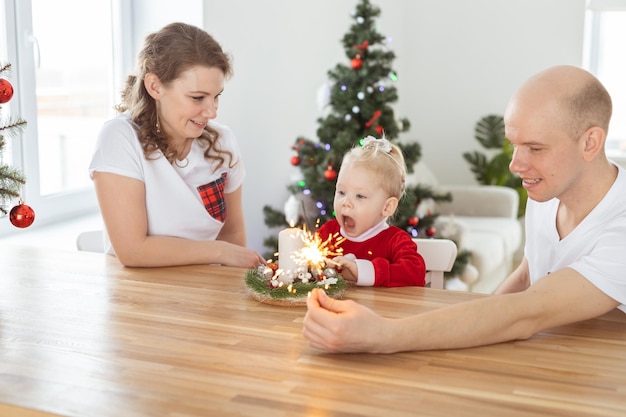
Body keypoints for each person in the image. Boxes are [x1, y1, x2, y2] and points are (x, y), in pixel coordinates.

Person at [303, 65, 626, 353]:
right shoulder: (552, 190)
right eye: (515, 144)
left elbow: (529, 311)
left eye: (535, 148)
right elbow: (529, 272)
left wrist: (382, 335)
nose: (515, 164)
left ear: (590, 143)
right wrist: (478, 326)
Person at [89, 22, 265, 268]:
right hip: (140, 295)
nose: (212, 112)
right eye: (198, 98)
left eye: (217, 97)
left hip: (206, 293)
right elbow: (132, 250)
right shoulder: (119, 138)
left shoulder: (222, 142)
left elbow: (232, 235)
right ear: (155, 86)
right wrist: (218, 252)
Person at [315, 136, 426, 287]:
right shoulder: (327, 234)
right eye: (341, 192)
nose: (346, 202)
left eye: (360, 196)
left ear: (387, 207)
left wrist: (361, 271)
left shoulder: (395, 241)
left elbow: (415, 273)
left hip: (381, 311)